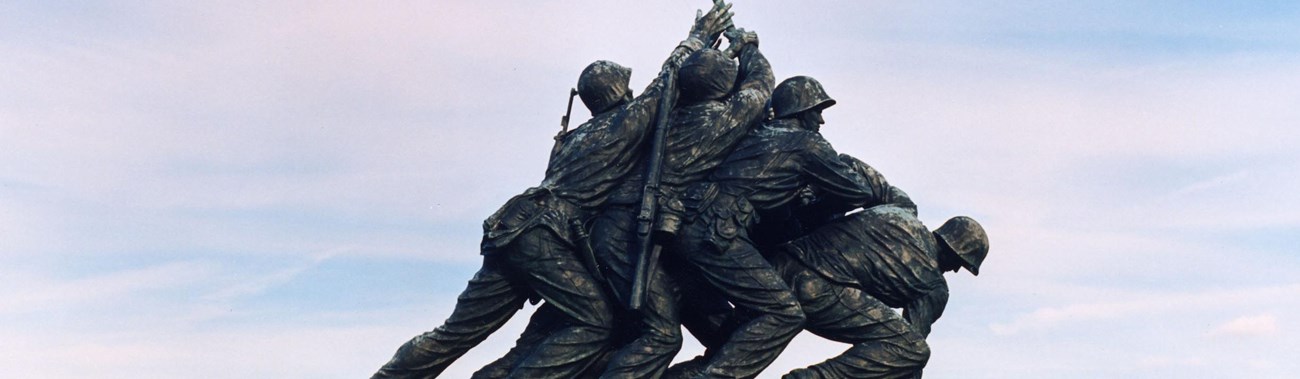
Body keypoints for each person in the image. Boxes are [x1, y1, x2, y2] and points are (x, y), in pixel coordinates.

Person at [369, 3, 734, 377]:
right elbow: (667, 83)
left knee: (455, 332)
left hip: (514, 229)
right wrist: (697, 37)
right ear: (620, 94)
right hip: (544, 234)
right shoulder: (622, 126)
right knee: (595, 322)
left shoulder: (576, 137)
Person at [586, 24, 776, 378]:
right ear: (722, 87)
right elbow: (760, 88)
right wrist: (748, 47)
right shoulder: (720, 120)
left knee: (707, 325)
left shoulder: (657, 117)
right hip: (631, 231)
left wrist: (695, 47)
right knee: (660, 335)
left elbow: (666, 80)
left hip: (627, 230)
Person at [774, 206, 989, 379]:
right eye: (961, 263)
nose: (956, 269)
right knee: (913, 349)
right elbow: (909, 354)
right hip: (816, 290)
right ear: (954, 251)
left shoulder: (898, 212)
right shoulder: (934, 285)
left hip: (778, 266)